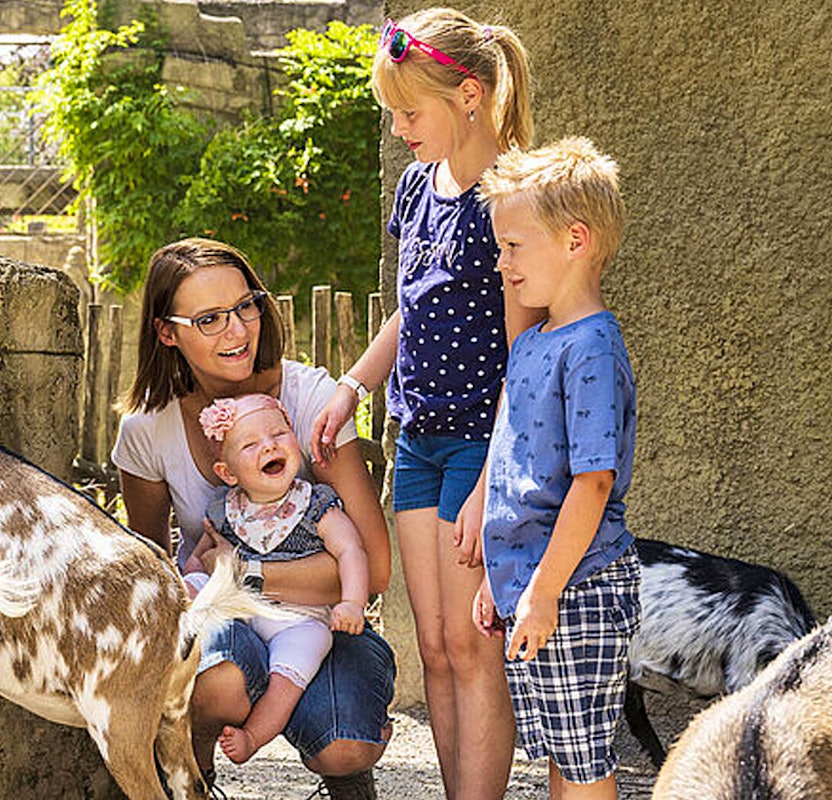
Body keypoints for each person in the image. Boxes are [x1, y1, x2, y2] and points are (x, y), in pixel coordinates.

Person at [309, 8, 540, 798]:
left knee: (475, 647)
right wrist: (352, 384)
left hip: (484, 440)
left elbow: (525, 350)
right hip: (417, 438)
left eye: (412, 112)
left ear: (467, 95)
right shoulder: (416, 186)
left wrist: (490, 481)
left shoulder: (510, 198)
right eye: (395, 114)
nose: (401, 127)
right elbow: (413, 308)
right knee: (435, 646)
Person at [112, 237, 394, 800]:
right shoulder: (148, 429)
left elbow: (376, 566)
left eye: (247, 306)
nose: (238, 331)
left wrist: (243, 572)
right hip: (224, 625)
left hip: (318, 621)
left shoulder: (310, 398)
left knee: (345, 743)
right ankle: (192, 779)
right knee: (217, 682)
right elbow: (148, 569)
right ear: (168, 332)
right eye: (210, 319)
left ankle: (345, 763)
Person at [471, 136, 640, 799]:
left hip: (578, 586)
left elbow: (592, 482)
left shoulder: (593, 346)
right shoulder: (537, 341)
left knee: (584, 761)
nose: (501, 261)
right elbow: (516, 463)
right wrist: (500, 579)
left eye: (514, 245)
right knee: (556, 752)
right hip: (536, 588)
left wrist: (541, 591)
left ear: (574, 240)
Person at [181, 393, 369, 765]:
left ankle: (253, 737)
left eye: (278, 435)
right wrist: (190, 581)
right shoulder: (224, 507)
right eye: (251, 444)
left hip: (299, 620)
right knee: (192, 589)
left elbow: (351, 550)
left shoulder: (315, 504)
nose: (269, 446)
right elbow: (199, 559)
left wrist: (352, 601)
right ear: (228, 472)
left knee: (289, 678)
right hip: (239, 611)